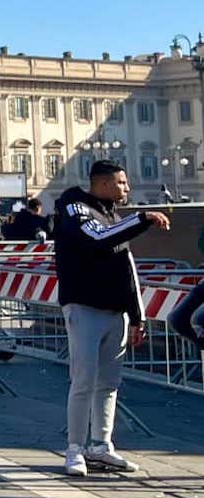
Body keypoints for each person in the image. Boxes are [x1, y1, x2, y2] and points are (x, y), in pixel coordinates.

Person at [54, 160, 171, 477]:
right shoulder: (75, 209)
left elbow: (126, 268)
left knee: (108, 383)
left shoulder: (112, 216)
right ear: (103, 183)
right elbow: (97, 237)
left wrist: (137, 316)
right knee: (83, 380)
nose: (127, 188)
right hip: (84, 306)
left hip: (114, 310)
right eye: (121, 183)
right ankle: (75, 448)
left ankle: (101, 445)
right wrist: (142, 219)